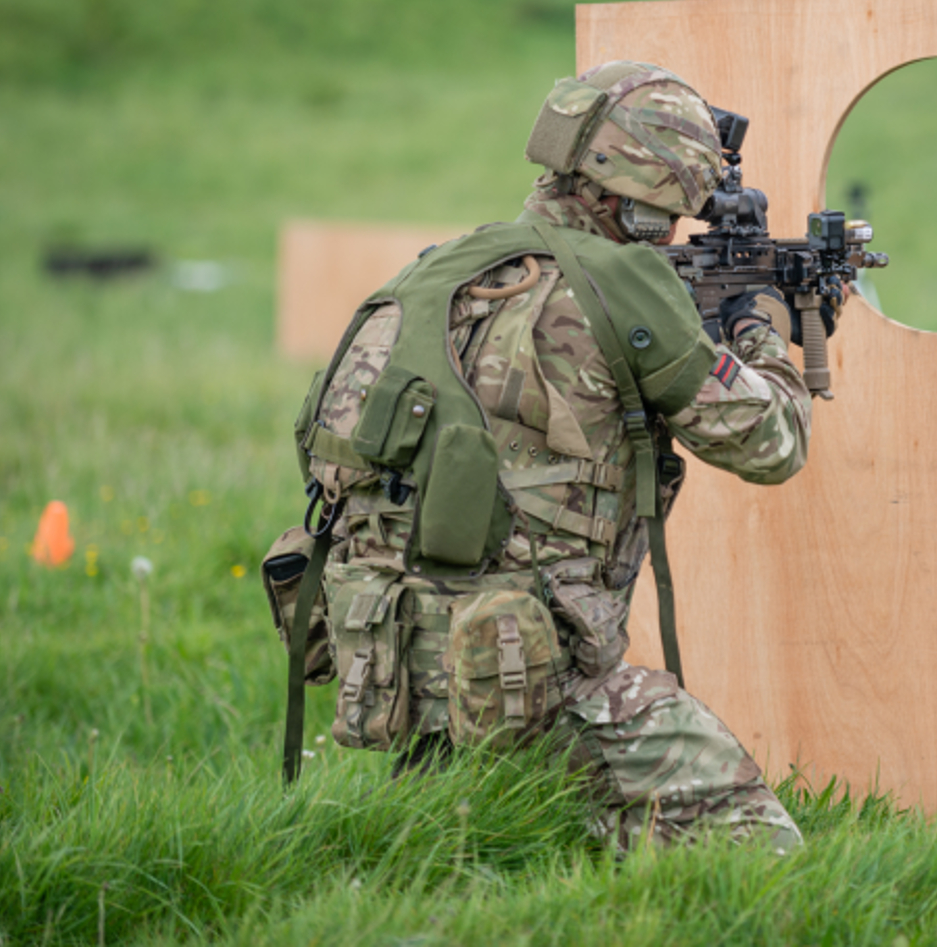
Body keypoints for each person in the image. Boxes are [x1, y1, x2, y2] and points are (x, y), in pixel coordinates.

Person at [285, 61, 809, 852]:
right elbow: (773, 443)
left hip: (398, 668)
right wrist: (757, 325)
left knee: (459, 858)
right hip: (537, 676)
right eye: (668, 213)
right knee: (761, 861)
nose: (670, 232)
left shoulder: (433, 270)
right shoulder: (624, 290)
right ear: (635, 201)